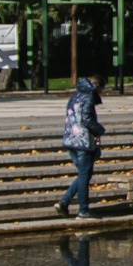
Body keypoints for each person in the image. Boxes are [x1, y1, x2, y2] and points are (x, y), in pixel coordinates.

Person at [57, 78, 104, 217]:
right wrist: (99, 130)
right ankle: (83, 210)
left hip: (70, 140)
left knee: (84, 175)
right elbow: (86, 119)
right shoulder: (89, 96)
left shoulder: (76, 94)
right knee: (84, 176)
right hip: (83, 142)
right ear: (97, 86)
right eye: (102, 89)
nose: (101, 92)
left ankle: (64, 202)